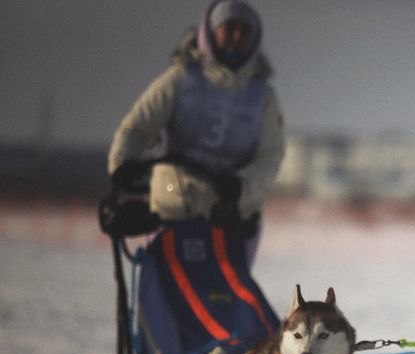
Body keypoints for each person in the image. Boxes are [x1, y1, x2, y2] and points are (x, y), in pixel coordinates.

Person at [108, 0, 284, 263]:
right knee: (167, 286)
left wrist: (241, 187)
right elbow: (136, 128)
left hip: (232, 217)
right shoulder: (179, 80)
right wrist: (123, 165)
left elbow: (271, 156)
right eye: (230, 28)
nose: (237, 37)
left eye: (244, 32)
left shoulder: (263, 97)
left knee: (226, 296)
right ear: (211, 33)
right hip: (173, 211)